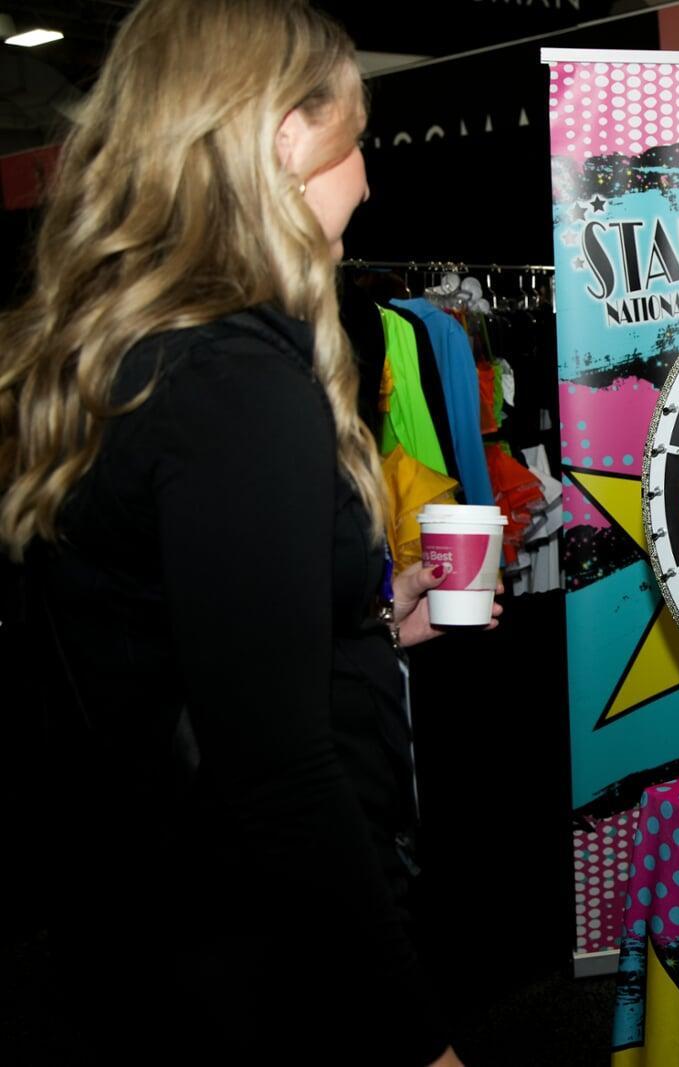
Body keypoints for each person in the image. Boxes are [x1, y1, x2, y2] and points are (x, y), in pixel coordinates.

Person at [0, 2, 490, 1063]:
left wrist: (363, 620)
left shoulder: (126, 352)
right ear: (283, 137)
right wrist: (421, 1041)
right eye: (354, 142)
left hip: (153, 912)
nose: (367, 180)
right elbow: (278, 773)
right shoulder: (233, 381)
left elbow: (165, 640)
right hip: (260, 946)